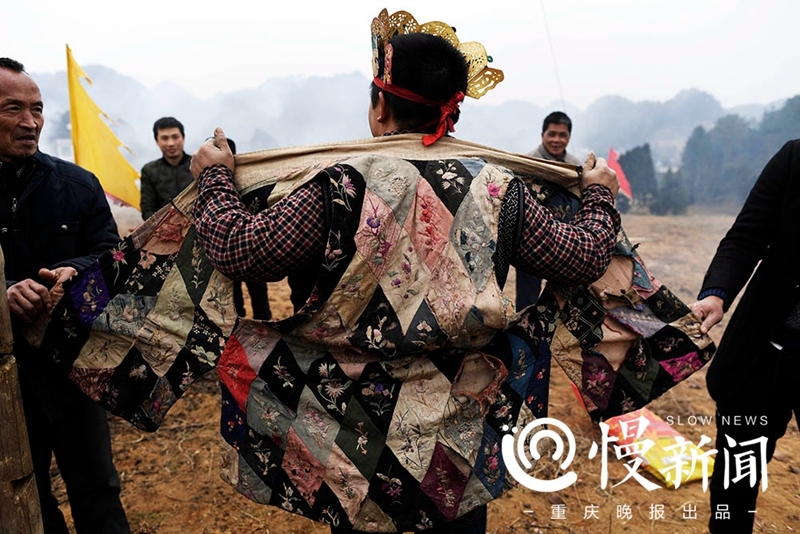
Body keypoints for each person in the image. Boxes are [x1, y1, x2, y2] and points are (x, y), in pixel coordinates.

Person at [189, 14, 620, 533]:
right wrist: (598, 192)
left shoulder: (339, 184)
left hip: (353, 437)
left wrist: (214, 177)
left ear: (379, 104)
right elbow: (584, 256)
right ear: (451, 110)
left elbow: (240, 249)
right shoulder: (500, 188)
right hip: (456, 444)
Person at [0, 58, 130, 534]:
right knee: (23, 494)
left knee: (97, 491)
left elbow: (110, 254)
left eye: (37, 108)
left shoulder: (76, 185)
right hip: (6, 380)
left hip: (73, 367)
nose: (30, 122)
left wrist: (69, 273)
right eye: (13, 109)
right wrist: (5, 294)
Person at [689, 139, 800, 533]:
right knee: (736, 481)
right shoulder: (794, 158)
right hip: (762, 352)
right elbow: (746, 237)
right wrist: (716, 294)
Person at [516, 111, 582, 310]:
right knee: (527, 301)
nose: (556, 140)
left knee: (564, 301)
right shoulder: (527, 163)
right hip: (530, 244)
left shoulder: (575, 168)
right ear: (542, 135)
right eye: (552, 134)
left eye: (562, 135)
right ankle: (522, 338)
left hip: (565, 245)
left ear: (569, 137)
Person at [226, 137, 272, 320]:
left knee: (258, 294)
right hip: (233, 250)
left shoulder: (252, 179)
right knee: (234, 295)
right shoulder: (207, 181)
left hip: (250, 248)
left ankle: (261, 321)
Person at [139, 116, 193, 220]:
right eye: (164, 138)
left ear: (183, 137)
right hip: (164, 229)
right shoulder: (149, 171)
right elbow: (148, 208)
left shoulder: (198, 165)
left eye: (175, 137)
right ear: (157, 141)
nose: (171, 143)